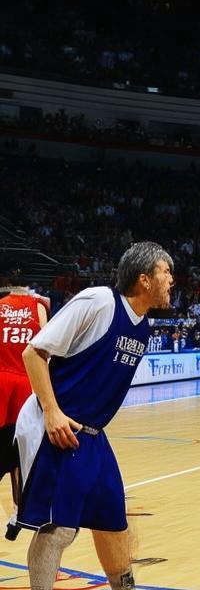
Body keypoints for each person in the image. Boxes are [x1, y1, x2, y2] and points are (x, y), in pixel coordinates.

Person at [14, 242, 173, 590]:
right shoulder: (99, 301)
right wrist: (52, 412)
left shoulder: (142, 327)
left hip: (93, 435)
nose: (171, 280)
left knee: (113, 524)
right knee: (59, 528)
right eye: (166, 272)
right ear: (144, 279)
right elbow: (33, 352)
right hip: (58, 426)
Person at [0, 276, 49, 540]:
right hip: (27, 386)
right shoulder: (39, 306)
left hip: (1, 384)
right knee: (21, 456)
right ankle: (19, 513)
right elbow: (47, 350)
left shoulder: (0, 306)